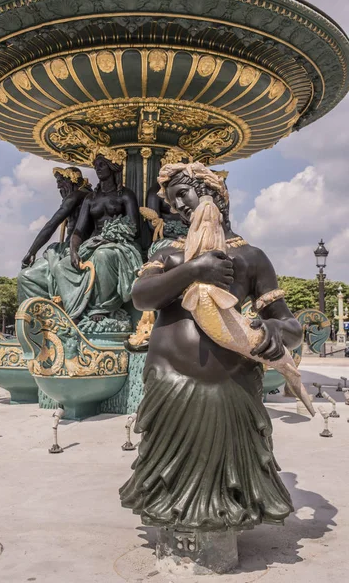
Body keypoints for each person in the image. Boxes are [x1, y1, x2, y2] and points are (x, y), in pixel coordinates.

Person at [120, 162, 302, 531]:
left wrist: (273, 329)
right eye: (173, 202)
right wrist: (193, 269)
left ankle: (222, 530)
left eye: (183, 195)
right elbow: (140, 297)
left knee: (227, 475)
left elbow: (291, 325)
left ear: (214, 191)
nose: (179, 207)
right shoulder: (170, 252)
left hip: (231, 383)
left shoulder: (251, 257)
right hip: (172, 380)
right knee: (170, 482)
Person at [52, 151, 143, 322]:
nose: (97, 168)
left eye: (101, 164)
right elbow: (79, 230)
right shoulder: (90, 198)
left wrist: (113, 235)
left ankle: (103, 307)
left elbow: (135, 228)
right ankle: (75, 312)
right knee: (61, 266)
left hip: (120, 244)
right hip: (94, 242)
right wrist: (73, 250)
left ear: (112, 166)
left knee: (103, 255)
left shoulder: (125, 194)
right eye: (95, 165)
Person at [17, 167, 91, 304]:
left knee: (25, 276)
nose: (58, 186)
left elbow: (51, 225)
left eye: (61, 181)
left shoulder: (76, 196)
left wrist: (31, 252)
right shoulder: (85, 195)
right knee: (25, 276)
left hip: (76, 249)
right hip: (66, 249)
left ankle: (45, 315)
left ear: (72, 180)